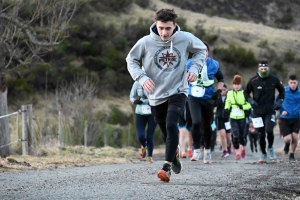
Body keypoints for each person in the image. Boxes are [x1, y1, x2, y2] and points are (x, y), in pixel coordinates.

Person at [126, 8, 207, 182]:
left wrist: (194, 69)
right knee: (165, 132)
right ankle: (175, 153)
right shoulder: (146, 42)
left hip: (178, 90)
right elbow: (130, 60)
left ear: (174, 26)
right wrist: (141, 77)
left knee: (172, 124)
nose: (164, 33)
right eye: (161, 28)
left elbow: (201, 50)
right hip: (155, 94)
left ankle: (166, 167)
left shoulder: (185, 38)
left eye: (168, 29)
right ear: (156, 25)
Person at [188, 42, 224, 164]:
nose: (203, 54)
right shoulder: (189, 63)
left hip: (208, 97)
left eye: (205, 51)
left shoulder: (214, 64)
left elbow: (221, 79)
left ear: (208, 52)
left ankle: (207, 150)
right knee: (196, 122)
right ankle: (196, 149)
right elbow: (180, 77)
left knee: (207, 125)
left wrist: (219, 91)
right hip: (193, 97)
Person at [244, 60, 285, 163]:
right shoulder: (253, 80)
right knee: (261, 134)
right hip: (257, 111)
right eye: (261, 69)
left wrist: (280, 100)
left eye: (265, 69)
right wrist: (250, 100)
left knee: (270, 129)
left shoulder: (274, 79)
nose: (263, 71)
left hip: (270, 110)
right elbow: (245, 92)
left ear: (268, 69)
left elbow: (282, 90)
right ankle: (263, 153)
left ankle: (270, 148)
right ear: (258, 69)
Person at [129, 81, 157, 163]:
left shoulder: (155, 81)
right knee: (140, 136)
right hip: (140, 112)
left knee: (149, 136)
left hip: (153, 112)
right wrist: (135, 101)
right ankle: (144, 146)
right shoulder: (137, 83)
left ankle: (149, 156)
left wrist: (151, 101)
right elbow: (132, 96)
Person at [225, 75, 251, 160]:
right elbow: (227, 102)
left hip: (242, 117)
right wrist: (227, 108)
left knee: (241, 135)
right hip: (233, 117)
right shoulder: (229, 93)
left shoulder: (244, 93)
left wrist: (242, 107)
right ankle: (237, 152)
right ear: (233, 85)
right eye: (235, 84)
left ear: (241, 85)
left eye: (238, 84)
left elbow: (249, 105)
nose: (236, 86)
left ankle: (242, 147)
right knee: (235, 135)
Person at [277, 75, 300, 161]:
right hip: (285, 118)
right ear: (288, 82)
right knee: (287, 139)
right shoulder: (284, 91)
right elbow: (277, 102)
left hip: (296, 118)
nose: (293, 84)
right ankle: (287, 144)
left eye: (294, 83)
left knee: (295, 137)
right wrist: (281, 110)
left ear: (297, 82)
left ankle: (292, 154)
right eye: (291, 83)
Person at [215, 83, 231, 157]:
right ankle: (225, 150)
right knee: (222, 134)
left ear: (226, 90)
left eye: (224, 90)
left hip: (227, 118)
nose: (222, 91)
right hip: (219, 117)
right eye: (221, 90)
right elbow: (212, 104)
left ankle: (228, 146)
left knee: (228, 136)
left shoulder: (230, 96)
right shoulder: (217, 96)